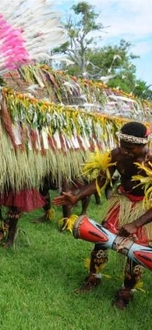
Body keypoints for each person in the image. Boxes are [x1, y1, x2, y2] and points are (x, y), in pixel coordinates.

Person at [53, 121, 152, 310]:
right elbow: (101, 181)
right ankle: (93, 278)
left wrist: (136, 224)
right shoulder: (117, 155)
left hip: (144, 208)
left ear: (143, 145)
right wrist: (76, 196)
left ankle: (126, 292)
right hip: (120, 201)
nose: (124, 151)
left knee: (135, 252)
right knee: (101, 239)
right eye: (122, 146)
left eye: (129, 148)